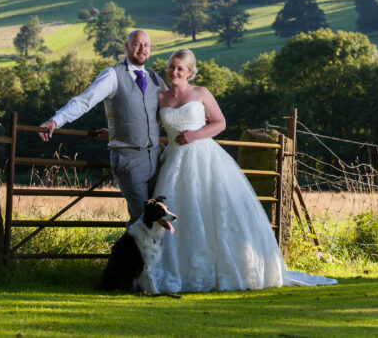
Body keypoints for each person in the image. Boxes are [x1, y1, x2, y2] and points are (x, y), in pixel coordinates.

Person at [150, 48, 336, 292]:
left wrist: (195, 134)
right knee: (179, 210)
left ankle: (224, 270)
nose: (174, 72)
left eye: (180, 68)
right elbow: (147, 128)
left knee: (212, 210)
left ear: (190, 72)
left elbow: (220, 123)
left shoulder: (201, 93)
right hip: (173, 160)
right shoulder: (161, 98)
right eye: (172, 67)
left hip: (202, 157)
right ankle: (178, 271)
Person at [38, 29, 166, 223]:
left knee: (158, 217)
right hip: (129, 157)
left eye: (146, 45)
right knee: (141, 219)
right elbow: (84, 101)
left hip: (156, 158)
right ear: (127, 46)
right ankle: (127, 255)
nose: (142, 49)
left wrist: (200, 114)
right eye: (137, 44)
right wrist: (57, 120)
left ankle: (151, 255)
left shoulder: (155, 78)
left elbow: (171, 106)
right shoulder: (112, 75)